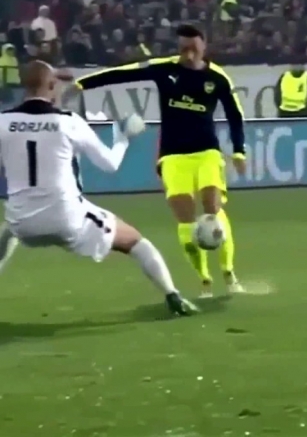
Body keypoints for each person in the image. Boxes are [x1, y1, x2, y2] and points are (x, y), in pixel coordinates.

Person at [0, 60, 198, 316]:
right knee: (137, 243)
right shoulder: (69, 122)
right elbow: (109, 164)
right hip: (67, 218)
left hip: (24, 222)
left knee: (8, 231)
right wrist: (123, 138)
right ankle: (173, 296)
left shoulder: (3, 122)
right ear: (51, 85)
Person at [66, 25, 246, 298]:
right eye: (183, 48)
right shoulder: (165, 69)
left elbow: (235, 115)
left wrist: (239, 151)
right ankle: (205, 279)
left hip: (207, 152)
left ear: (203, 46)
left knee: (212, 209)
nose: (187, 53)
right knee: (185, 219)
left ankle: (228, 272)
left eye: (192, 48)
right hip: (172, 155)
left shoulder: (217, 78)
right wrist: (82, 84)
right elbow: (124, 73)